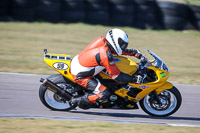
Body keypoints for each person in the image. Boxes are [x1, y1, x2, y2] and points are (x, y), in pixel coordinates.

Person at [70, 28, 144, 109]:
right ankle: (78, 101)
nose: (124, 46)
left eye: (125, 44)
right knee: (104, 93)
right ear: (115, 41)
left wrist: (133, 52)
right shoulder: (105, 55)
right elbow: (116, 76)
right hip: (82, 75)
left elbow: (116, 50)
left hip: (81, 62)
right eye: (122, 44)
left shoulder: (103, 42)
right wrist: (134, 79)